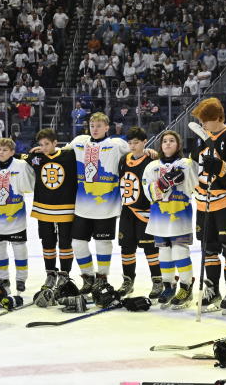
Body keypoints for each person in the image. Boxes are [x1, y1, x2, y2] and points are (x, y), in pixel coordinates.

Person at [190, 97, 226, 314]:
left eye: (207, 120)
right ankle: (212, 289)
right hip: (203, 202)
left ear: (218, 118)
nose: (203, 124)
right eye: (201, 120)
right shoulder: (201, 138)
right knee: (209, 249)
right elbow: (194, 165)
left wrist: (220, 167)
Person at [70, 112, 131, 294]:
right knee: (77, 243)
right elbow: (59, 154)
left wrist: (150, 152)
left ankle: (102, 278)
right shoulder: (79, 141)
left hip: (107, 207)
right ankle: (87, 277)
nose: (94, 129)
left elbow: (136, 154)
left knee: (102, 244)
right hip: (82, 206)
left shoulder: (116, 144)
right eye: (92, 125)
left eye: (98, 125)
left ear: (107, 127)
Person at [141, 130, 199, 308]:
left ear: (178, 145)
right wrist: (163, 183)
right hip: (159, 216)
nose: (167, 143)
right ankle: (169, 285)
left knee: (180, 251)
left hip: (180, 214)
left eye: (171, 141)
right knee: (164, 253)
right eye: (164, 141)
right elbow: (148, 192)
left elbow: (194, 185)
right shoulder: (152, 166)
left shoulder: (186, 164)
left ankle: (186, 286)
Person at [24, 128, 77, 296]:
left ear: (55, 143)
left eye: (47, 144)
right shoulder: (36, 157)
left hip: (66, 207)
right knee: (47, 243)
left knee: (65, 243)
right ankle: (50, 273)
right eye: (41, 144)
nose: (44, 147)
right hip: (43, 208)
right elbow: (13, 158)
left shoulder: (69, 155)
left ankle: (65, 274)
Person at [0, 138, 35, 293]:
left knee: (19, 247)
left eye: (5, 150)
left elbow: (30, 182)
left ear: (12, 152)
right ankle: (3, 278)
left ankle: (21, 279)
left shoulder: (21, 165)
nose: (1, 152)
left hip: (16, 217)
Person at [117, 126, 162, 298]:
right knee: (126, 248)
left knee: (150, 249)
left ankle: (157, 280)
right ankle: (128, 281)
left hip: (146, 212)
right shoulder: (123, 159)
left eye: (136, 142)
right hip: (127, 210)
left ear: (145, 142)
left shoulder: (152, 161)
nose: (132, 146)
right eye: (130, 143)